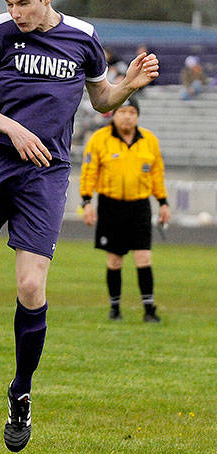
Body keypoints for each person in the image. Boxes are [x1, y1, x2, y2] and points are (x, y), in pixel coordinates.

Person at [0, 0, 159, 453]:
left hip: (45, 173)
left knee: (32, 285)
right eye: (11, 3)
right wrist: (14, 130)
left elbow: (101, 100)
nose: (17, 12)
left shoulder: (82, 37)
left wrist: (128, 86)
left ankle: (20, 392)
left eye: (25, 4)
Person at [80, 97, 170, 322]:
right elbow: (89, 172)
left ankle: (149, 310)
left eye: (132, 112)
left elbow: (157, 174)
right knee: (114, 260)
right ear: (113, 114)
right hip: (111, 206)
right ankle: (115, 308)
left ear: (137, 115)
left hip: (140, 207)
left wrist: (163, 202)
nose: (127, 116)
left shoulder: (149, 140)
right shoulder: (99, 140)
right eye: (122, 111)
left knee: (144, 257)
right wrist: (86, 201)